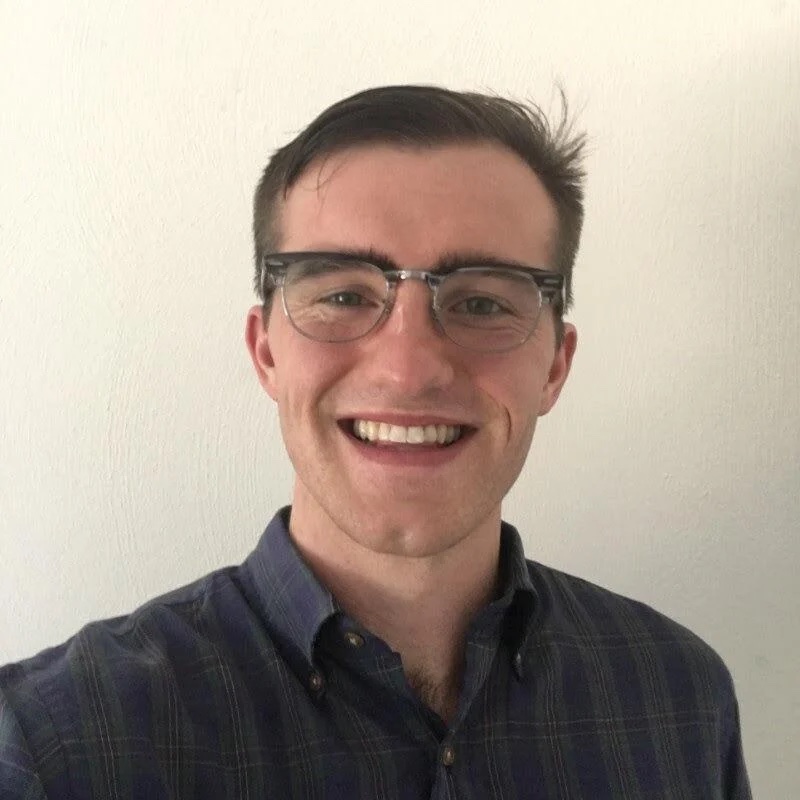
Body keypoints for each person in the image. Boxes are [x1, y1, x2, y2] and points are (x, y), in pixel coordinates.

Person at [0, 85, 751, 799]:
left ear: (555, 364)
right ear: (266, 352)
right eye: (344, 295)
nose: (408, 369)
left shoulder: (680, 695)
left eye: (483, 301)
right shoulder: (56, 750)